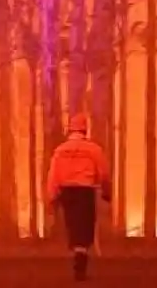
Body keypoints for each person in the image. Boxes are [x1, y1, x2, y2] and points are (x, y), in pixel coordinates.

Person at [46, 113, 111, 281]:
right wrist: (106, 191)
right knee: (85, 228)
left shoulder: (60, 150)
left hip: (67, 192)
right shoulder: (93, 150)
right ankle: (80, 265)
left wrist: (52, 195)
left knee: (73, 227)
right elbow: (103, 172)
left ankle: (77, 259)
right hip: (85, 191)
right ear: (85, 130)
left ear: (70, 130)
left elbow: (53, 174)